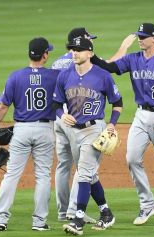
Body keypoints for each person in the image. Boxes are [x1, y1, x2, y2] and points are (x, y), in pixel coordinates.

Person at [91, 23, 154, 226]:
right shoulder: (133, 59)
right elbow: (109, 67)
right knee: (132, 158)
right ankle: (148, 204)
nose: (140, 39)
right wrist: (91, 53)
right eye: (139, 36)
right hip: (141, 115)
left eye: (144, 36)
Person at [53, 37, 123, 236]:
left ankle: (78, 219)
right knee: (90, 175)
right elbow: (56, 103)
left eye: (80, 50)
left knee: (83, 173)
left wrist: (111, 124)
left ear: (90, 53)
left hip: (94, 129)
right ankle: (106, 213)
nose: (75, 53)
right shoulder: (65, 75)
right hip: (73, 131)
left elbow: (117, 103)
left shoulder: (103, 76)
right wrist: (62, 115)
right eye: (73, 49)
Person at [0, 37, 58, 232]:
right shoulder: (55, 76)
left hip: (21, 130)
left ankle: (1, 219)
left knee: (12, 174)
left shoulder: (15, 76)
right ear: (45, 55)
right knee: (43, 176)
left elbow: (2, 108)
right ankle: (39, 222)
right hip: (45, 130)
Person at [50, 27, 97, 224]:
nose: (91, 43)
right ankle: (73, 210)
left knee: (63, 165)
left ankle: (62, 212)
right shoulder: (80, 61)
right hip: (74, 117)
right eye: (88, 40)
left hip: (58, 117)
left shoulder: (56, 62)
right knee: (83, 165)